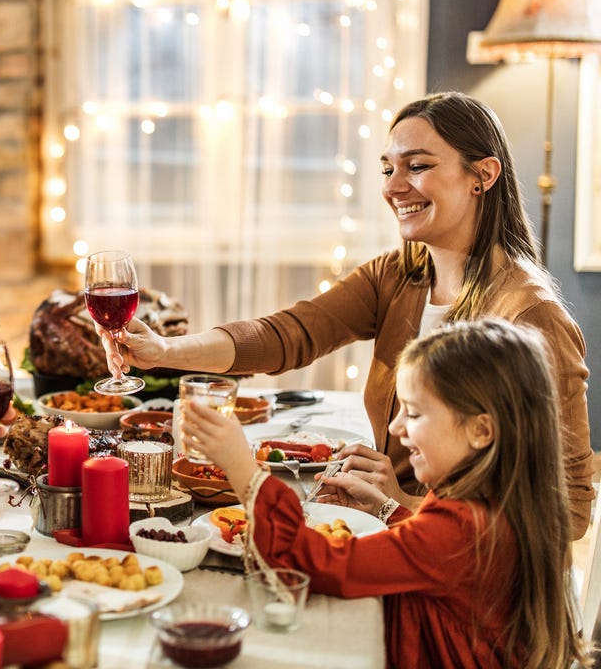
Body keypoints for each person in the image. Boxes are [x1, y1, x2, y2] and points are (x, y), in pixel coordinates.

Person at [101, 91, 593, 537]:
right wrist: (164, 351)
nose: (394, 187)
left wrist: (402, 503)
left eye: (417, 166)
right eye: (387, 169)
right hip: (387, 526)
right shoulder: (401, 275)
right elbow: (287, 335)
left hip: (450, 561)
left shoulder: (530, 318)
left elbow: (567, 514)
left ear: (482, 175)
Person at [185, 319, 589, 668]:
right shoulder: (496, 501)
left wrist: (243, 469)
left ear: (481, 430)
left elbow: (319, 564)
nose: (396, 428)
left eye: (413, 413)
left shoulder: (464, 528)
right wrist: (387, 510)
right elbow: (433, 558)